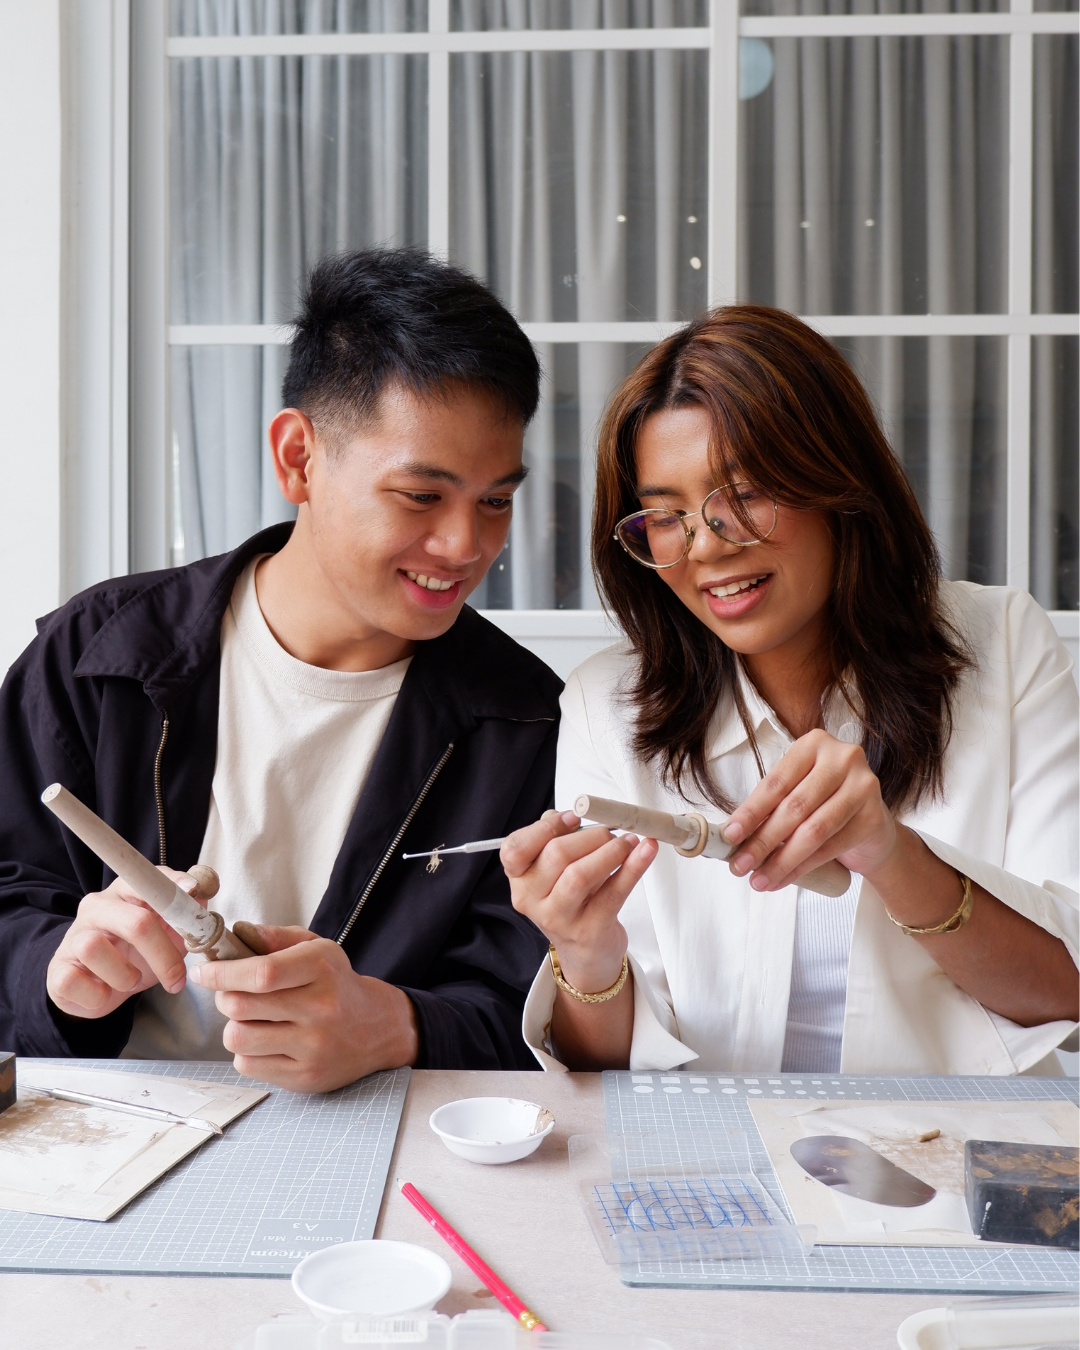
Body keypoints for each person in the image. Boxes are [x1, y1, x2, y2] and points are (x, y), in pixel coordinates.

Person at [0, 248, 558, 1091]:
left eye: (496, 501)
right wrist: (57, 971)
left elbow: (533, 1007)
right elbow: (11, 896)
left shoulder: (524, 719)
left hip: (373, 1141)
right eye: (421, 496)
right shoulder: (94, 654)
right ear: (298, 456)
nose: (465, 546)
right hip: (106, 1133)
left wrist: (396, 1025)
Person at [504, 305, 1079, 1077]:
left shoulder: (1002, 647)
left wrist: (892, 855)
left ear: (839, 481)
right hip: (713, 1148)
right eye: (666, 515)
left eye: (743, 492)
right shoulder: (606, 704)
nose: (706, 547)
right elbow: (603, 1073)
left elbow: (1068, 992)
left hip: (954, 1146)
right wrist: (584, 954)